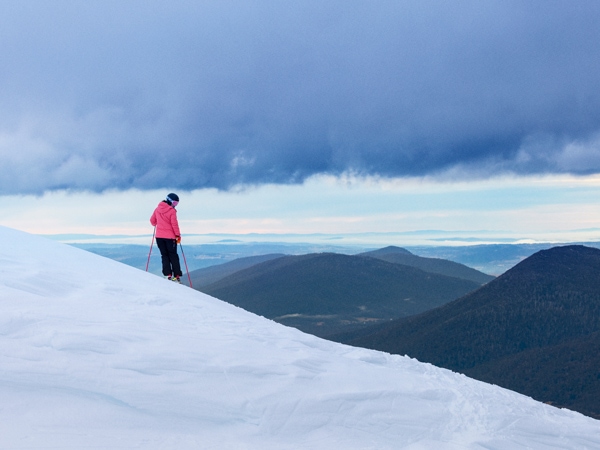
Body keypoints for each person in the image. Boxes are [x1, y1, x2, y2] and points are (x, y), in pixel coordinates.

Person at [150, 193, 183, 283]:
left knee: (164, 255)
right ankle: (176, 275)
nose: (175, 205)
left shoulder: (157, 209)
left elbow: (152, 221)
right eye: (175, 203)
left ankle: (167, 274)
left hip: (159, 237)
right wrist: (178, 235)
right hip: (170, 238)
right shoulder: (172, 211)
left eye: (176, 203)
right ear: (169, 201)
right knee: (173, 255)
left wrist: (158, 223)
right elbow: (174, 224)